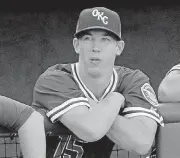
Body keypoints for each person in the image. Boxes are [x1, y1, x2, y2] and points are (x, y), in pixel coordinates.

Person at [31, 7, 164, 158]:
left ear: (119, 47)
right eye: (88, 39)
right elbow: (91, 130)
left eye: (105, 40)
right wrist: (114, 100)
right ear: (76, 45)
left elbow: (142, 143)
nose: (96, 48)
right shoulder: (54, 79)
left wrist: (91, 108)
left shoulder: (132, 80)